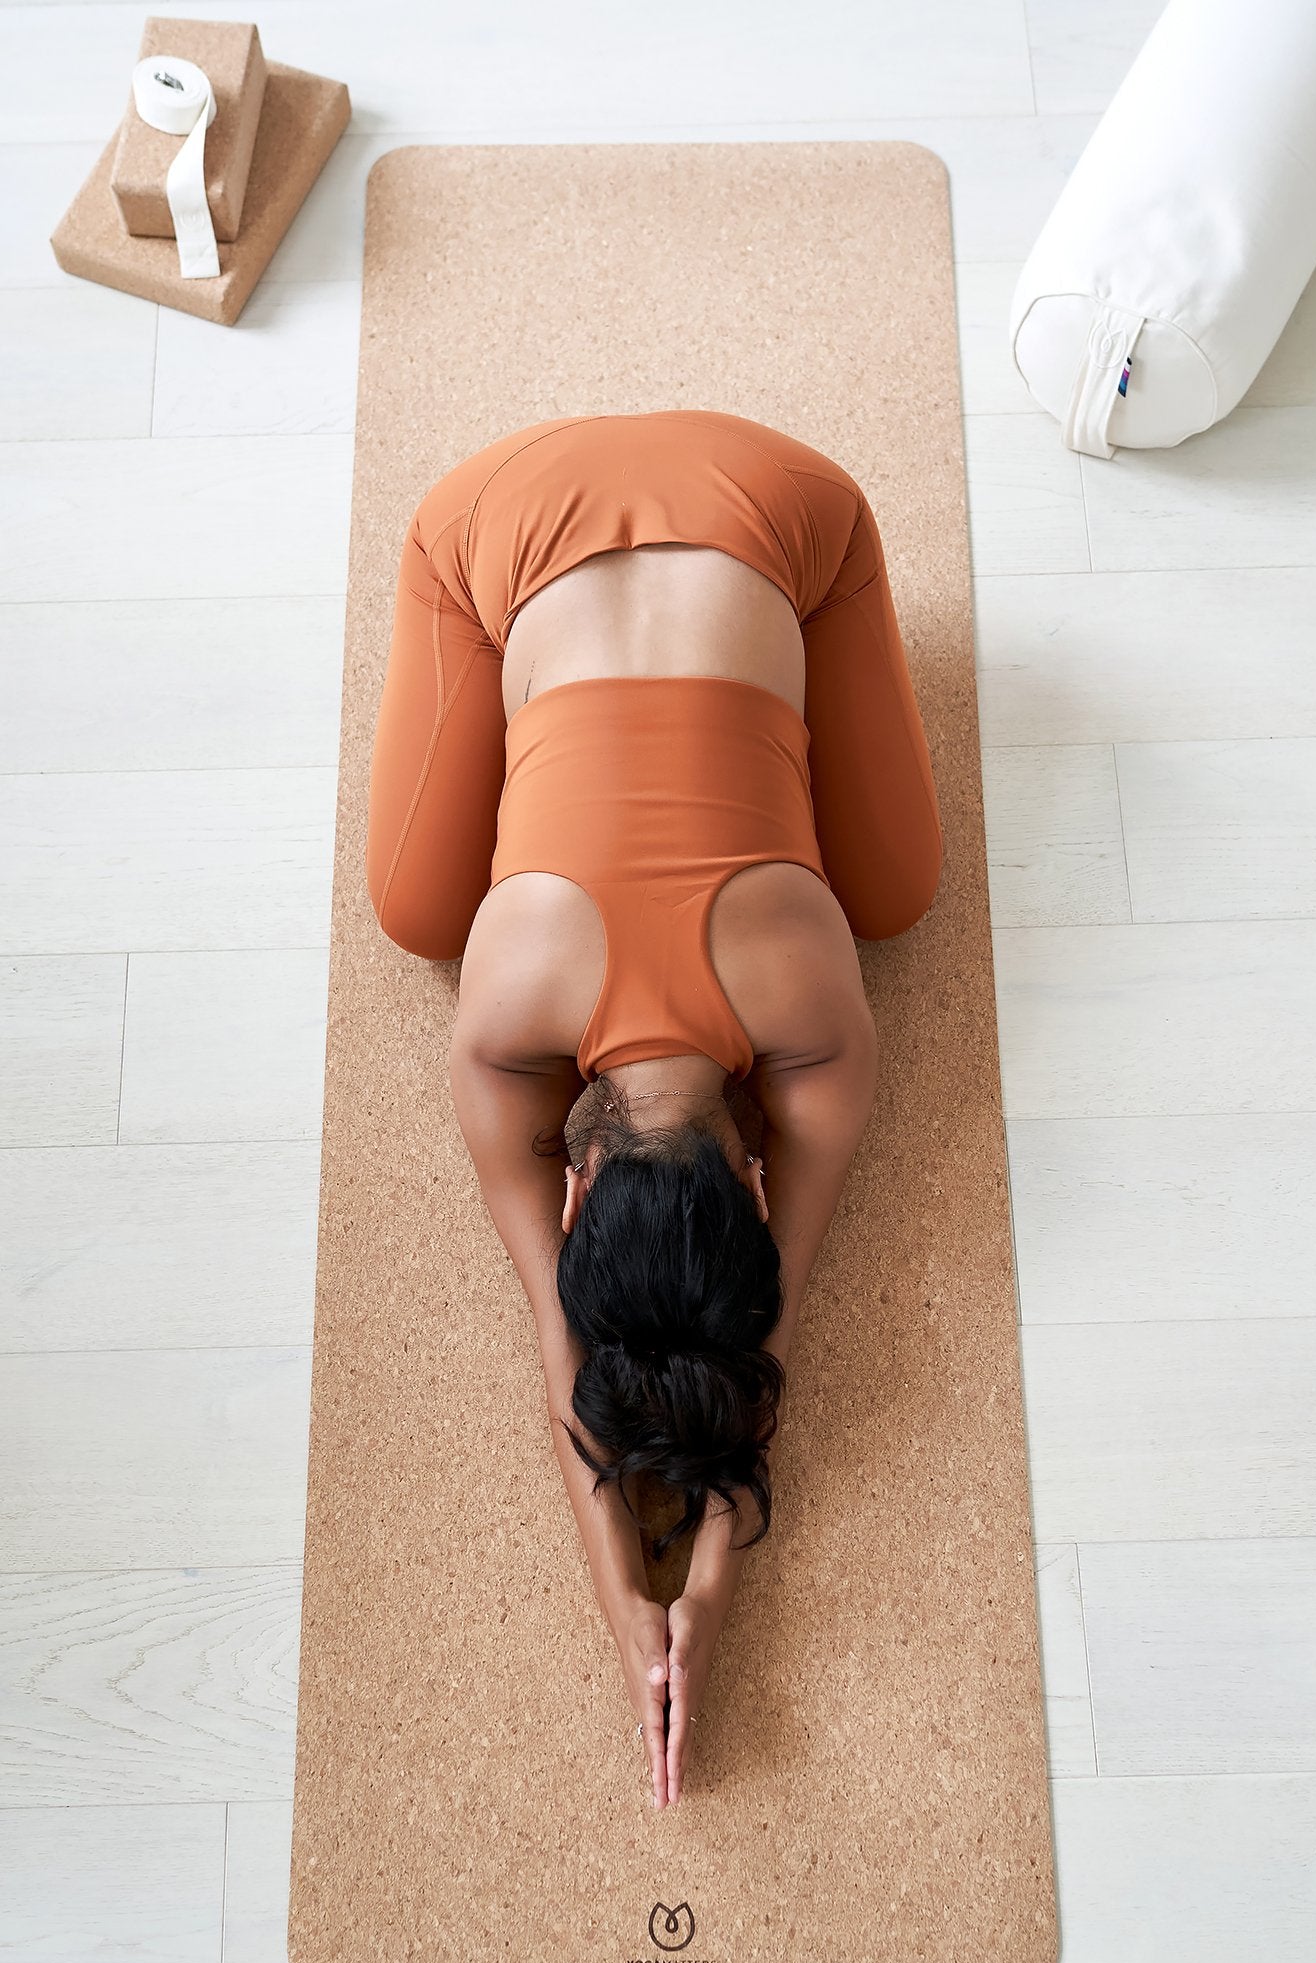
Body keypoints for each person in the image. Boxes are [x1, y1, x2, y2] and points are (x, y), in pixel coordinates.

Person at [364, 409, 944, 1808]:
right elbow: (611, 1334)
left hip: (749, 501)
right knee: (903, 895)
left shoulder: (801, 1000)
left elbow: (635, 1333)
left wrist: (662, 1590)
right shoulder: (511, 1014)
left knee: (414, 913)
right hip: (630, 504)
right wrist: (680, 1591)